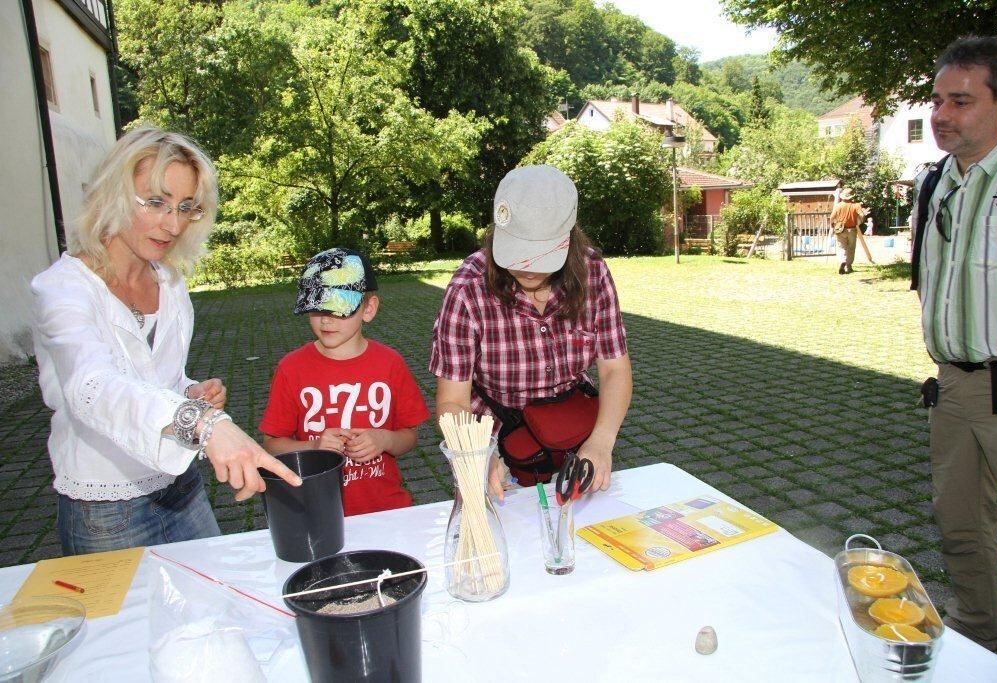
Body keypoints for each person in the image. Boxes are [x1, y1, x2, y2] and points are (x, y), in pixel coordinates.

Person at [31, 126, 301, 556]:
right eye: (155, 202)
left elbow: (152, 375)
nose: (172, 224)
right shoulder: (62, 290)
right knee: (126, 625)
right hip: (107, 510)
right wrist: (205, 424)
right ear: (113, 194)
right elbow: (91, 388)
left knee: (215, 612)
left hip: (182, 489)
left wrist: (188, 391)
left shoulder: (169, 281)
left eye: (186, 207)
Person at [914, 36, 997, 650]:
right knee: (959, 527)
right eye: (937, 101)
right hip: (952, 385)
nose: (941, 116)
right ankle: (977, 641)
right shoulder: (936, 183)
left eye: (960, 101)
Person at [430, 165, 632, 499]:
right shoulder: (468, 289)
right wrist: (477, 454)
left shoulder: (593, 272)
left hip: (576, 437)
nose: (526, 267)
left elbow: (614, 370)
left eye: (541, 255)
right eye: (517, 251)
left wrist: (601, 441)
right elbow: (452, 401)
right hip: (495, 445)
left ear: (569, 238)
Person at [260, 248, 430, 515]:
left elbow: (408, 436)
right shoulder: (291, 368)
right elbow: (272, 444)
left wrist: (384, 439)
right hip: (318, 512)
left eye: (339, 308)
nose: (326, 319)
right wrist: (313, 447)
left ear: (368, 308)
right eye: (317, 308)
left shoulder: (390, 363)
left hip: (386, 509)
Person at [830, 188, 865, 274]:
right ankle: (848, 266)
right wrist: (860, 222)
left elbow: (832, 217)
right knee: (851, 248)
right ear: (852, 196)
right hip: (852, 229)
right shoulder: (856, 205)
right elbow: (862, 215)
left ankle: (842, 261)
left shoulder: (838, 205)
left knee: (841, 247)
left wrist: (832, 225)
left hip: (840, 228)